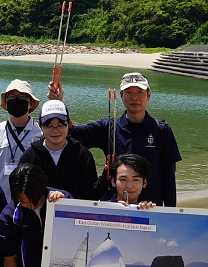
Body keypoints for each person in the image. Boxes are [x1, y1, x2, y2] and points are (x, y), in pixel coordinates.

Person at [49, 72, 182, 207]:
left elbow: (169, 177)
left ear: (148, 95)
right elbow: (69, 133)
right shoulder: (109, 127)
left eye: (139, 92)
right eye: (129, 92)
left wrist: (171, 212)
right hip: (114, 207)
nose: (134, 97)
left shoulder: (162, 130)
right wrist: (57, 104)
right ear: (121, 96)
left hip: (149, 207)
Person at [17, 100, 100, 201]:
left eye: (60, 125)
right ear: (40, 125)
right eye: (49, 125)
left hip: (74, 214)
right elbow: (21, 191)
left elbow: (92, 194)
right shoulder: (30, 156)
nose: (55, 130)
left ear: (69, 124)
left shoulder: (83, 155)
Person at [0, 80, 42, 199]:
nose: (16, 100)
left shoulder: (41, 134)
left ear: (31, 104)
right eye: (12, 97)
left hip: (30, 202)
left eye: (22, 97)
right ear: (5, 103)